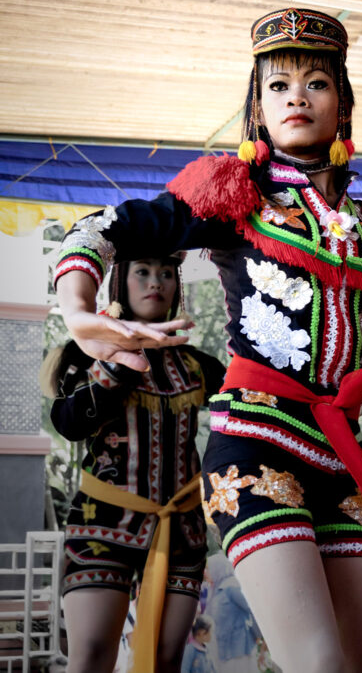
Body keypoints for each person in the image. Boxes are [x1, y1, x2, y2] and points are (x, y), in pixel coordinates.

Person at [52, 7, 362, 673]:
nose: (296, 96)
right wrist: (79, 308)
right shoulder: (234, 199)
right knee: (319, 663)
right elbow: (106, 224)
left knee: (358, 661)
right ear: (258, 106)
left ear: (342, 103)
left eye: (315, 82)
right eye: (278, 84)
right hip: (255, 444)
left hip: (337, 459)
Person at [45, 255, 225, 673]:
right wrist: (119, 358)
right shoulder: (83, 351)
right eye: (142, 272)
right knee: (90, 656)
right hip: (102, 525)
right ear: (119, 282)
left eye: (165, 273)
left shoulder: (199, 365)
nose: (155, 283)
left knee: (164, 661)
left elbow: (248, 414)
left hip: (182, 529)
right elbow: (68, 424)